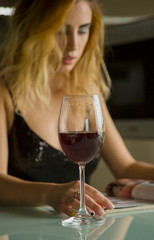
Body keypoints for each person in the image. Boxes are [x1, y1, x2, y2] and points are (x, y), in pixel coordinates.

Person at [0, 0, 154, 218]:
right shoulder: (5, 93)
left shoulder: (87, 90)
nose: (73, 45)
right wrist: (50, 193)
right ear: (32, 30)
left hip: (80, 229)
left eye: (83, 30)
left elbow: (126, 167)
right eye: (60, 30)